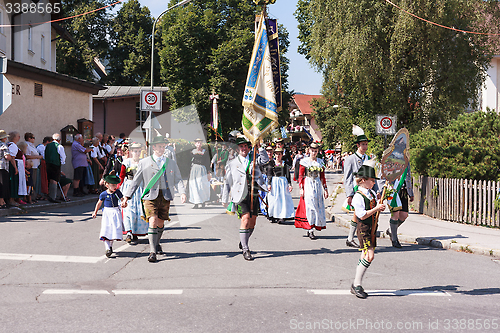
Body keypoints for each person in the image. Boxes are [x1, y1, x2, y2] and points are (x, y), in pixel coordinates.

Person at [122, 135, 187, 263]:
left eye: (163, 146)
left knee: (160, 223)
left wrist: (182, 192)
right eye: (159, 146)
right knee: (152, 221)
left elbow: (178, 179)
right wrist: (126, 196)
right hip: (150, 196)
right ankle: (152, 251)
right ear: (154, 147)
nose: (162, 149)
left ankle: (157, 243)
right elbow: (136, 181)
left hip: (165, 196)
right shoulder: (144, 162)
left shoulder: (170, 163)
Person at [222, 136, 266, 261]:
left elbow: (265, 159)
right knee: (245, 219)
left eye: (246, 146)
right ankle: (246, 249)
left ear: (248, 147)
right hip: (240, 194)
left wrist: (259, 147)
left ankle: (244, 240)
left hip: (254, 193)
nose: (244, 148)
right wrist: (225, 198)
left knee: (253, 222)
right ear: (237, 149)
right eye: (241, 146)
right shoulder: (232, 163)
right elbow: (227, 181)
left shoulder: (254, 159)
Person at [350, 160, 385, 299]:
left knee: (365, 255)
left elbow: (373, 210)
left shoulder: (369, 193)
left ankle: (356, 283)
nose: (374, 183)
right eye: (372, 180)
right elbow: (362, 214)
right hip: (364, 229)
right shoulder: (358, 196)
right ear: (363, 180)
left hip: (371, 228)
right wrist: (376, 208)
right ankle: (356, 284)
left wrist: (379, 204)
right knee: (369, 256)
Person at [343, 125, 378, 248]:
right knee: (358, 214)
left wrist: (376, 190)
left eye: (366, 144)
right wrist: (349, 194)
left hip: (367, 190)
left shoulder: (368, 158)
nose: (365, 147)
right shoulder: (351, 159)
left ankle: (351, 238)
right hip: (356, 189)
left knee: (359, 215)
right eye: (363, 144)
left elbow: (372, 175)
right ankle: (352, 238)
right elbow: (347, 177)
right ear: (358, 145)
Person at [294, 142, 328, 240]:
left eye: (316, 151)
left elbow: (322, 177)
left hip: (317, 184)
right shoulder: (304, 162)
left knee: (317, 206)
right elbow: (301, 175)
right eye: (312, 151)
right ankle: (310, 229)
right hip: (308, 183)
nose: (314, 153)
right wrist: (301, 188)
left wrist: (325, 189)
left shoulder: (320, 162)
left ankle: (314, 225)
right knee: (310, 206)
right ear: (309, 150)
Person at [92, 174, 127, 258]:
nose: (115, 186)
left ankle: (110, 246)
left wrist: (124, 203)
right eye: (113, 185)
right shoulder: (103, 194)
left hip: (115, 212)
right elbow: (99, 203)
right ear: (107, 185)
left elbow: (122, 200)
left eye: (116, 185)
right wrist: (95, 212)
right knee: (106, 229)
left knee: (113, 230)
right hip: (107, 213)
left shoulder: (117, 192)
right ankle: (107, 248)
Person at [120, 143, 148, 243]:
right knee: (128, 210)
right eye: (135, 151)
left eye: (139, 151)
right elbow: (122, 176)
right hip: (128, 187)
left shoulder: (143, 163)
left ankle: (135, 232)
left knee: (138, 211)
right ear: (131, 152)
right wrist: (118, 188)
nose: (137, 153)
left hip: (140, 188)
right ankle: (128, 231)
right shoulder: (126, 162)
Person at [386, 164, 414, 248]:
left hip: (404, 191)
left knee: (404, 215)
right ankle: (394, 239)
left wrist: (411, 193)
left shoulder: (406, 160)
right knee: (395, 214)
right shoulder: (389, 158)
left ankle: (391, 230)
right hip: (393, 191)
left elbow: (408, 178)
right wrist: (380, 191)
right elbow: (382, 176)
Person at [266, 147, 294, 224]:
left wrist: (289, 184)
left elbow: (287, 174)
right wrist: (269, 184)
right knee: (274, 199)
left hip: (283, 182)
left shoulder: (284, 164)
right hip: (274, 181)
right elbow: (269, 174)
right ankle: (273, 215)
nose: (278, 156)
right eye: (276, 154)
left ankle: (281, 216)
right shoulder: (272, 163)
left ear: (282, 155)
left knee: (282, 199)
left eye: (279, 154)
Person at [188, 138, 212, 209]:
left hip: (202, 169)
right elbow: (189, 162)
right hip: (194, 169)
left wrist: (208, 171)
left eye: (200, 143)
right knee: (194, 185)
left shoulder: (205, 152)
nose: (199, 144)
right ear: (195, 144)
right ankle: (195, 202)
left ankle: (203, 201)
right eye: (197, 143)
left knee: (201, 185)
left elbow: (207, 162)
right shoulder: (192, 152)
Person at [45, 133, 66, 203]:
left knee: (50, 179)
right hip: (55, 164)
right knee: (55, 180)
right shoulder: (59, 146)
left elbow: (45, 155)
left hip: (48, 164)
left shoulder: (47, 145)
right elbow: (63, 157)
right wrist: (61, 163)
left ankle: (50, 195)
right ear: (59, 139)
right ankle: (53, 197)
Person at [25, 133, 42, 202]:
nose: (34, 139)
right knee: (32, 182)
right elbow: (27, 156)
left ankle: (34, 197)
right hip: (31, 165)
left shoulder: (32, 145)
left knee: (35, 182)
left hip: (36, 165)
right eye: (33, 137)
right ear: (29, 138)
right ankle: (30, 197)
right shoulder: (27, 145)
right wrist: (38, 157)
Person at [0, 130, 11, 208]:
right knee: (3, 184)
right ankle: (1, 201)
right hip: (3, 166)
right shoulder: (3, 145)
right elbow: (7, 156)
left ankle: (2, 201)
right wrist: (11, 157)